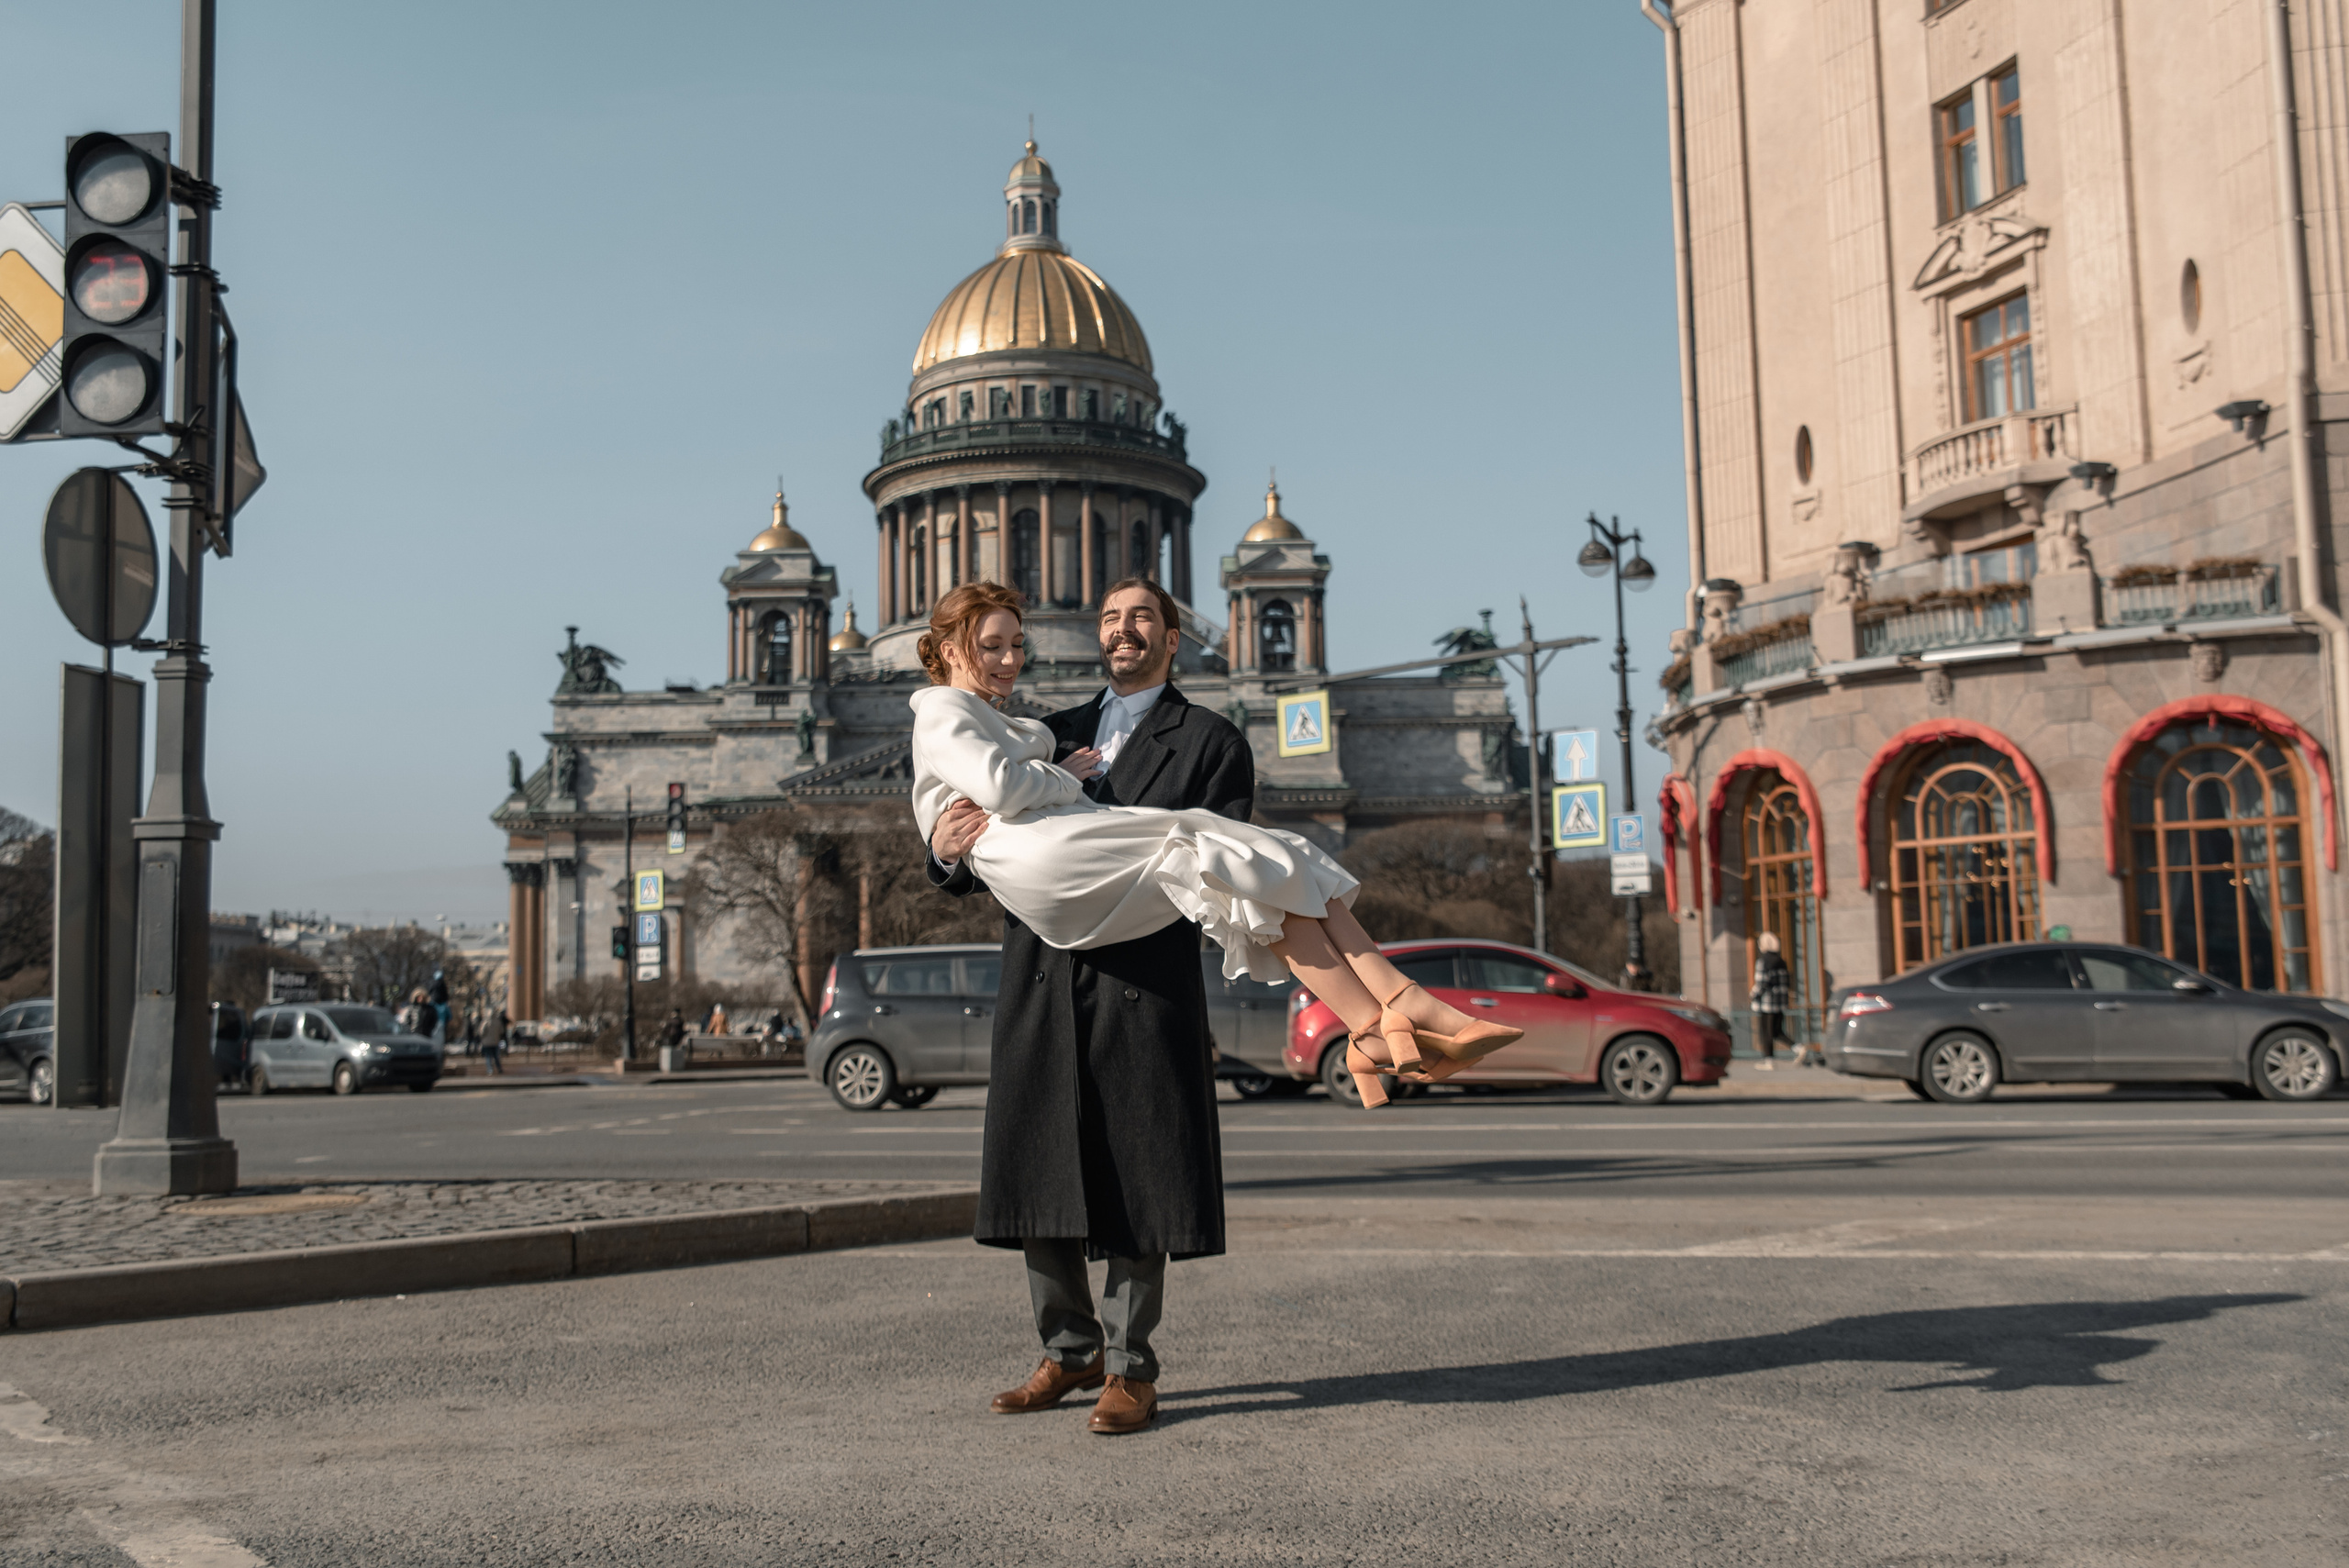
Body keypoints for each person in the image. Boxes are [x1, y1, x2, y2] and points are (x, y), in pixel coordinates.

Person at [920, 580, 1519, 1435]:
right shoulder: (1050, 727)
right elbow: (980, 833)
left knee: (1138, 1175)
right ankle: (1068, 1347)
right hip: (1044, 978)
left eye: (1141, 617)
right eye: (1110, 618)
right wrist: (942, 853)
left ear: (1176, 638)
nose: (1122, 630)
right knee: (1041, 1174)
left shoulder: (1212, 738)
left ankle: (1129, 1365)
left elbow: (1222, 889)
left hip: (1142, 980)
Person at [1750, 931, 1791, 1069]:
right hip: (1780, 1002)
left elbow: (1761, 983)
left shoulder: (1763, 961)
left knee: (1766, 1032)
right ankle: (1798, 1047)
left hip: (1767, 1003)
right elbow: (1786, 983)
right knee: (1777, 1031)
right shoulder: (1781, 961)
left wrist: (1754, 995)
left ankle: (1769, 1061)